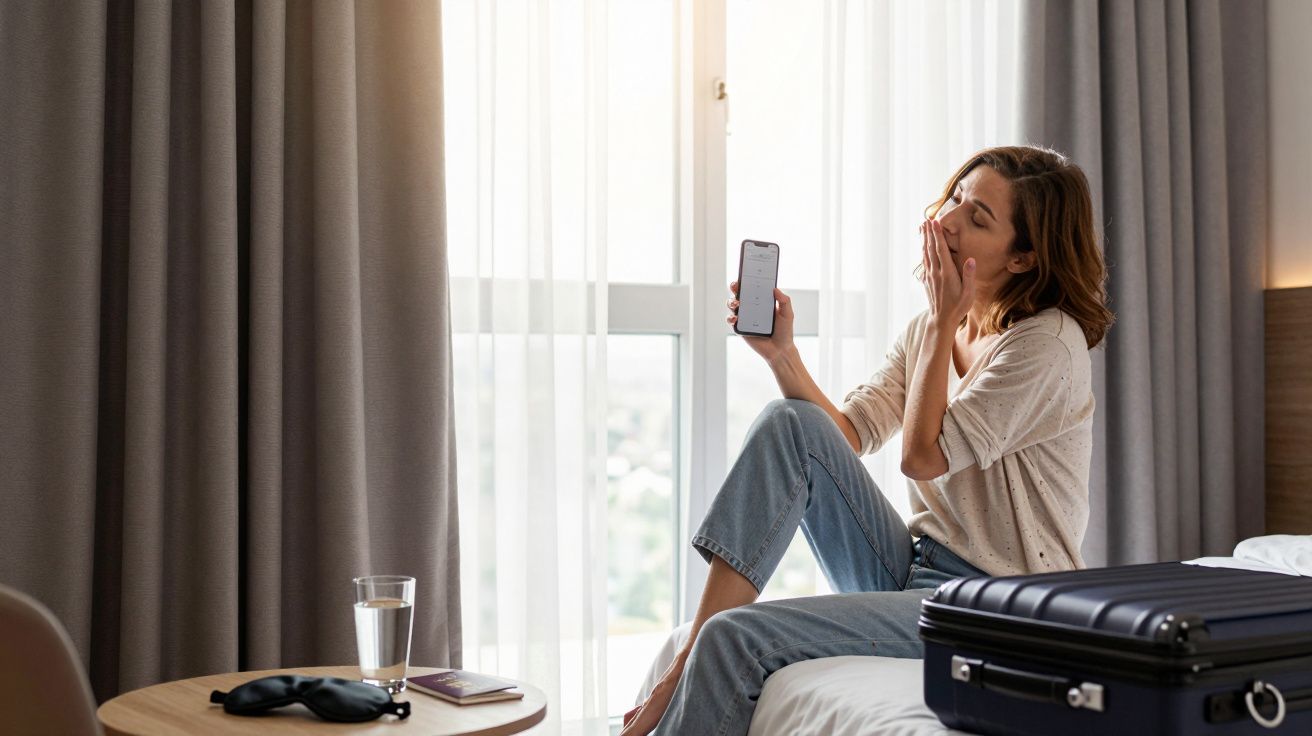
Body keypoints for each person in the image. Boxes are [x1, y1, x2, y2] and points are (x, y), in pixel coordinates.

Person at [619, 145, 1115, 736]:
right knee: (789, 423)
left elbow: (921, 456)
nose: (947, 222)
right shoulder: (930, 330)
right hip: (913, 566)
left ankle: (689, 662)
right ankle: (687, 658)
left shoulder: (1046, 345)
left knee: (736, 639)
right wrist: (784, 354)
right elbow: (846, 435)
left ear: (1025, 258)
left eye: (977, 217)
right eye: (956, 198)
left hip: (996, 607)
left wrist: (939, 322)